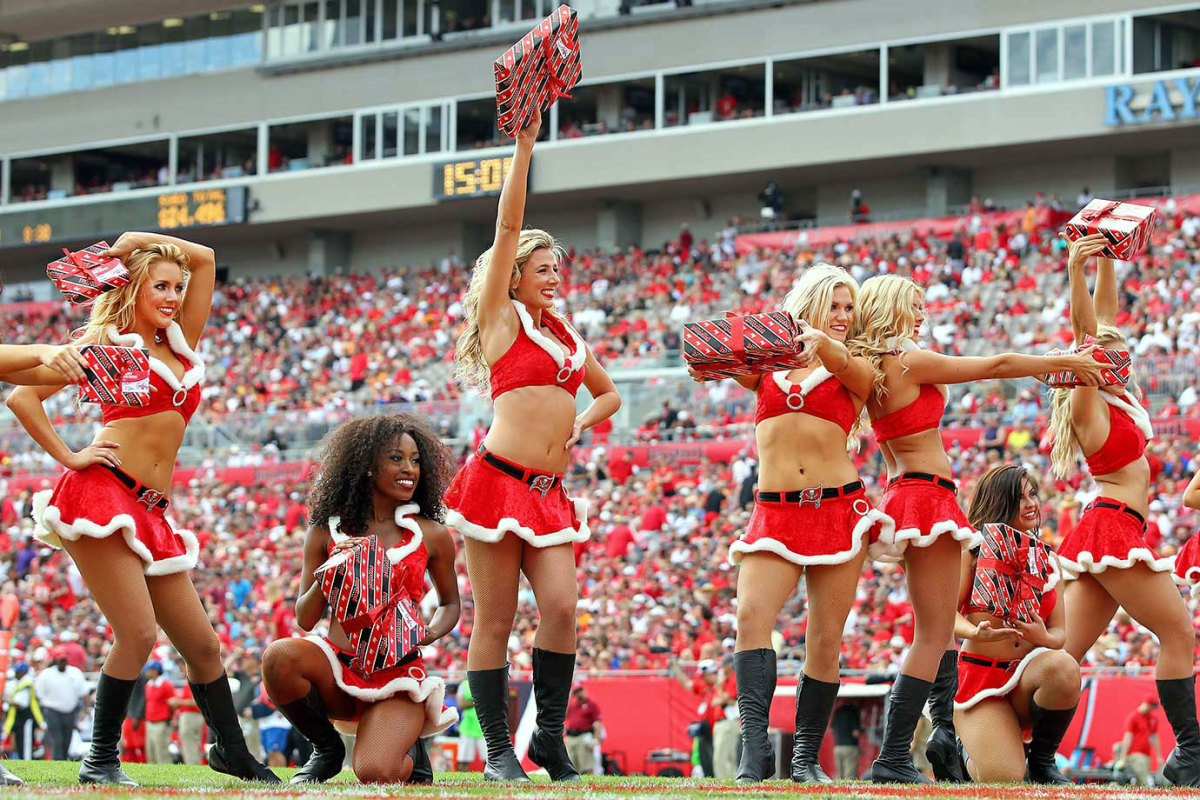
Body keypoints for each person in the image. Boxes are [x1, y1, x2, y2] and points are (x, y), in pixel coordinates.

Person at [8, 233, 278, 786]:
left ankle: (232, 754)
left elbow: (205, 258)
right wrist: (70, 456)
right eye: (161, 286)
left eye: (178, 288)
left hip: (153, 511)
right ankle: (100, 760)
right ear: (132, 287)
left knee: (203, 646)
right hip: (101, 495)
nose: (174, 296)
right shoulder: (107, 344)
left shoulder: (181, 342)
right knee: (136, 635)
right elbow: (22, 396)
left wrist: (139, 241)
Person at [846, 274, 1106, 784]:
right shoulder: (906, 360)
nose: (922, 315)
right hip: (926, 494)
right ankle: (899, 753)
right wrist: (1059, 364)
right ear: (891, 307)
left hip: (907, 492)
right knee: (933, 633)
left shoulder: (873, 368)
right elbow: (996, 366)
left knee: (936, 630)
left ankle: (936, 738)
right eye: (914, 305)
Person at [445, 108, 620, 783]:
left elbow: (608, 394)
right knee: (496, 620)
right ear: (513, 275)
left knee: (563, 609)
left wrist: (582, 423)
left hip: (549, 494)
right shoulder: (502, 320)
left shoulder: (568, 335)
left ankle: (547, 738)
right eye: (542, 268)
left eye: (557, 269)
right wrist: (523, 146)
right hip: (497, 481)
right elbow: (506, 225)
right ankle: (497, 751)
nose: (553, 277)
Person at [694, 265, 891, 783]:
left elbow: (855, 373)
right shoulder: (768, 363)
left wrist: (823, 342)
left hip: (838, 511)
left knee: (824, 638)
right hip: (774, 512)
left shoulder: (856, 365)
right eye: (834, 305)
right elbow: (723, 356)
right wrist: (708, 362)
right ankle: (754, 751)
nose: (843, 315)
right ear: (808, 306)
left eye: (849, 308)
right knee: (750, 617)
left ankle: (804, 759)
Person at [1050, 235, 1200, 787]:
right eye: (1106, 353)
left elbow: (1105, 321)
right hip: (1111, 528)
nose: (1120, 355)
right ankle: (1190, 754)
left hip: (1113, 530)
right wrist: (1075, 269)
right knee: (1178, 634)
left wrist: (1108, 257)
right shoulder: (1088, 405)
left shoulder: (1117, 401)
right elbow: (1088, 335)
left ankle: (1026, 744)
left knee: (1064, 655)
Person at [260, 414, 460, 784]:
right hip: (337, 668)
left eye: (415, 460)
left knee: (375, 772)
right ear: (367, 466)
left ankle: (411, 752)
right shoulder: (326, 530)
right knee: (279, 657)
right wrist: (332, 570)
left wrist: (429, 633)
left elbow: (450, 603)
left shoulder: (431, 534)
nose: (409, 469)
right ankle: (326, 749)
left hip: (397, 675)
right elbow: (305, 618)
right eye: (396, 458)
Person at [954, 465, 1080, 784]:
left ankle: (1042, 761)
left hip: (1026, 677)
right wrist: (974, 631)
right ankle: (961, 748)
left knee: (1064, 667)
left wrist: (1042, 636)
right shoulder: (971, 550)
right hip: (981, 682)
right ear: (999, 501)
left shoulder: (1049, 559)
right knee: (1003, 778)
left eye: (1033, 494)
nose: (1031, 504)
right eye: (1019, 497)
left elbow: (1060, 633)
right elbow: (945, 615)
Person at [35, 649, 87, 761]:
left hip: (70, 711)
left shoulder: (75, 673)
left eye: (64, 660)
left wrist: (83, 712)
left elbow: (83, 693)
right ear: (56, 660)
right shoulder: (47, 674)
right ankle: (56, 759)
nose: (62, 663)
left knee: (67, 737)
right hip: (52, 710)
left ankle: (63, 759)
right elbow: (39, 694)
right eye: (60, 660)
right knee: (56, 738)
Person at [1116, 697, 1164, 786]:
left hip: (1146, 756)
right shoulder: (1134, 717)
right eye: (1151, 707)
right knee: (1146, 781)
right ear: (1147, 704)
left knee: (1139, 783)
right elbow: (1128, 738)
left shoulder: (1152, 719)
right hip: (1135, 754)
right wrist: (1123, 758)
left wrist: (1159, 756)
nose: (1152, 710)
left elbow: (1154, 738)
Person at [4, 663, 42, 762]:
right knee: (21, 743)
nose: (16, 674)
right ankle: (23, 761)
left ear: (23, 672)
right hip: (21, 719)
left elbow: (22, 703)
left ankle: (27, 763)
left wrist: (7, 701)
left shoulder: (26, 683)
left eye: (17, 672)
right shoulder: (22, 682)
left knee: (26, 744)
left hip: (25, 718)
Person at [565, 683, 604, 776]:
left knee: (587, 765)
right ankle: (575, 782)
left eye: (580, 691)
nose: (579, 693)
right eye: (577, 692)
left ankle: (590, 782)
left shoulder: (591, 704)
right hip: (571, 737)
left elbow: (598, 723)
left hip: (584, 736)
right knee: (572, 764)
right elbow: (564, 715)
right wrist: (569, 698)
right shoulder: (573, 704)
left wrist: (595, 740)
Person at [142, 662, 175, 764]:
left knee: (161, 751)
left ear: (155, 671)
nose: (147, 672)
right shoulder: (149, 684)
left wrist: (169, 718)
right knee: (150, 751)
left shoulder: (165, 685)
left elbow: (172, 704)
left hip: (161, 722)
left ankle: (165, 771)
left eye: (149, 670)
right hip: (149, 721)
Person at [831, 701, 862, 779]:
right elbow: (856, 733)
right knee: (849, 776)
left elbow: (832, 729)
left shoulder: (837, 711)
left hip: (838, 747)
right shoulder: (853, 711)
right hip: (850, 747)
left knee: (839, 776)